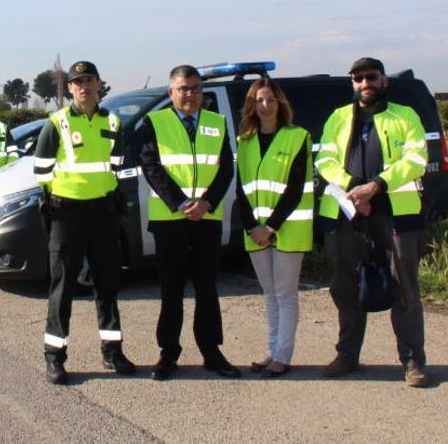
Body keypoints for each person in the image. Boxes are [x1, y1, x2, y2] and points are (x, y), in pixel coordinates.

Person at [315, 57, 429, 387]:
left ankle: (412, 360)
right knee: (344, 285)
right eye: (358, 78)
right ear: (352, 83)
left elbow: (416, 158)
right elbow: (324, 159)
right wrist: (354, 191)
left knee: (405, 286)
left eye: (371, 77)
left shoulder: (405, 116)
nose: (365, 83)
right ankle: (347, 355)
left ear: (384, 81)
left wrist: (375, 186)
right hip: (348, 213)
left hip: (396, 213)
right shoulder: (337, 118)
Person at [33, 60, 134, 385]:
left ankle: (112, 352)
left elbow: (117, 165)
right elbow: (41, 174)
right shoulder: (56, 123)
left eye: (90, 81)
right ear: (70, 88)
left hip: (103, 214)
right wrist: (61, 198)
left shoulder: (114, 122)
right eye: (78, 82)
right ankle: (55, 358)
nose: (84, 87)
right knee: (62, 289)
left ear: (99, 85)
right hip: (67, 215)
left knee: (107, 285)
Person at [140, 64, 239, 380]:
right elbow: (151, 166)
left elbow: (226, 170)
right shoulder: (155, 122)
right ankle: (168, 354)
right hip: (171, 220)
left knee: (207, 290)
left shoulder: (217, 122)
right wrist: (182, 203)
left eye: (196, 88)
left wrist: (207, 202)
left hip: (207, 219)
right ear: (172, 92)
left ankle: (212, 352)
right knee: (171, 291)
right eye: (184, 88)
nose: (191, 94)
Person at [235, 78, 313, 378]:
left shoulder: (298, 137)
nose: (264, 106)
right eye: (258, 100)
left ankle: (283, 356)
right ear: (251, 106)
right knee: (269, 295)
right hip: (255, 231)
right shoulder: (245, 141)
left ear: (280, 103)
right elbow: (242, 190)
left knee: (285, 295)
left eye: (269, 99)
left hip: (287, 229)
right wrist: (253, 227)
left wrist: (270, 227)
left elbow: (295, 188)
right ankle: (272, 351)